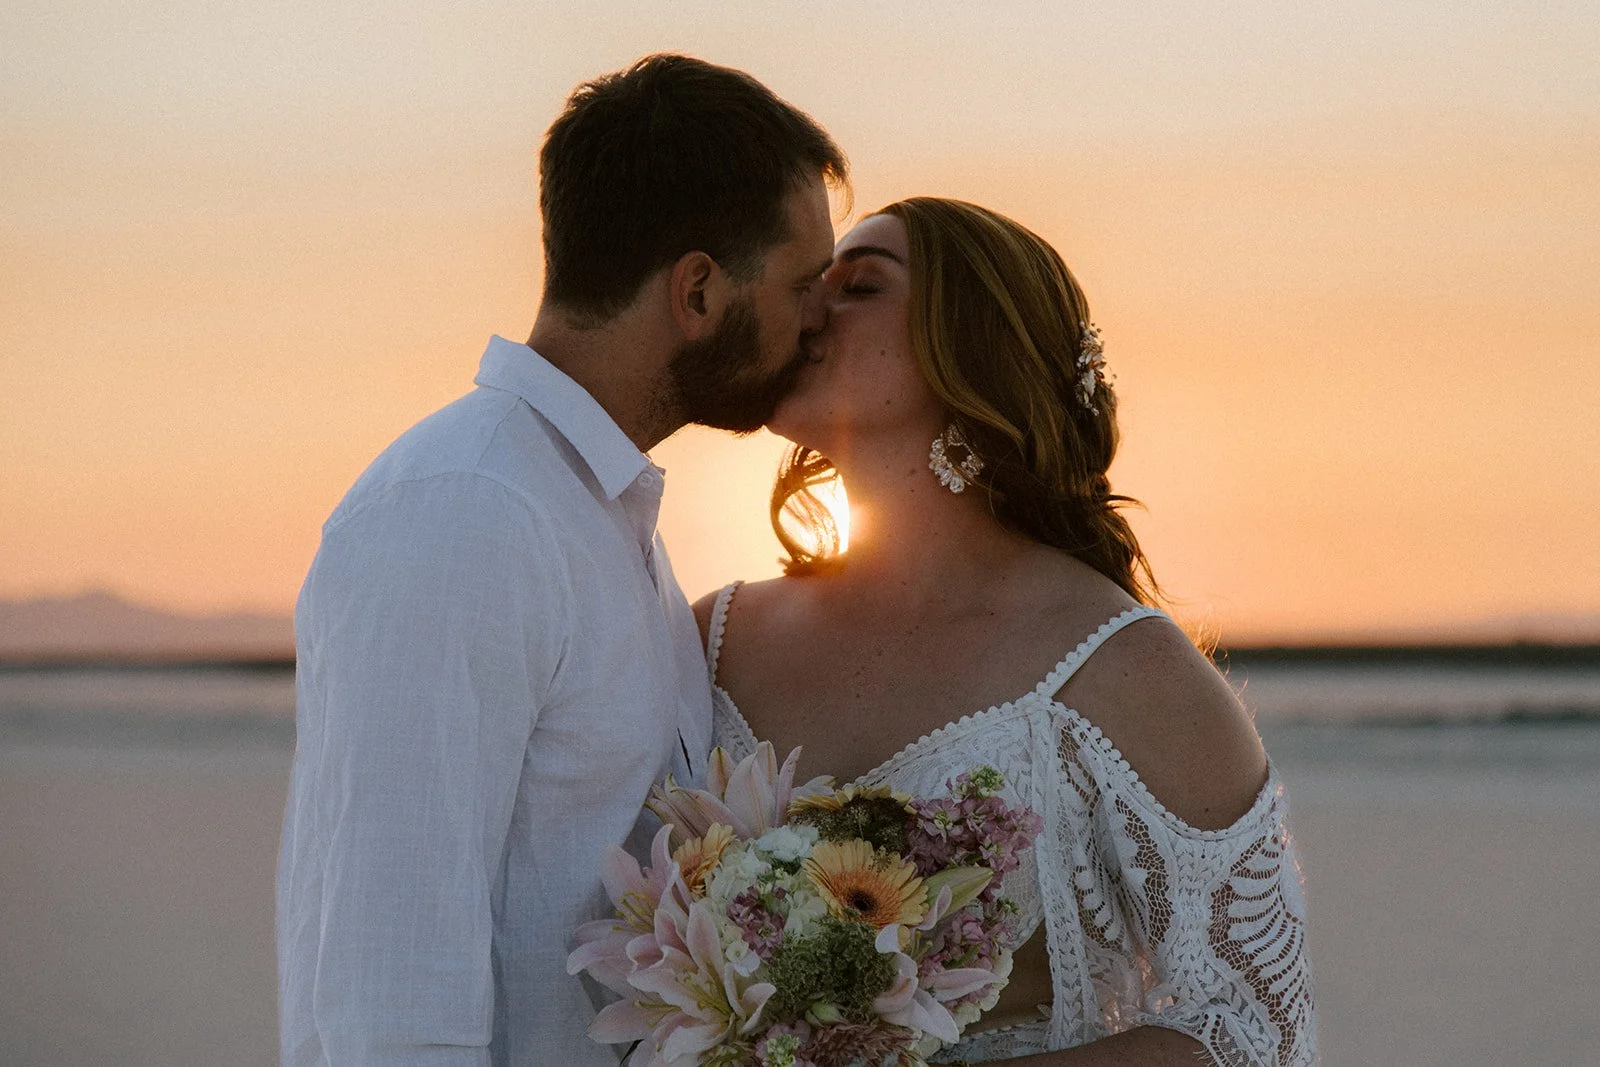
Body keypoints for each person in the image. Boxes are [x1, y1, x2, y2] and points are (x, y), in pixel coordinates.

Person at [276, 55, 846, 1066]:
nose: (820, 321)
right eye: (804, 284)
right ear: (699, 290)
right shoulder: (468, 509)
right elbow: (385, 987)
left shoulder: (603, 515)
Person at [696, 198, 1316, 1066]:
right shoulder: (704, 641)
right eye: (811, 282)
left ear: (969, 351)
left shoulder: (1123, 672)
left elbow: (1260, 1033)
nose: (808, 305)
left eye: (860, 284)